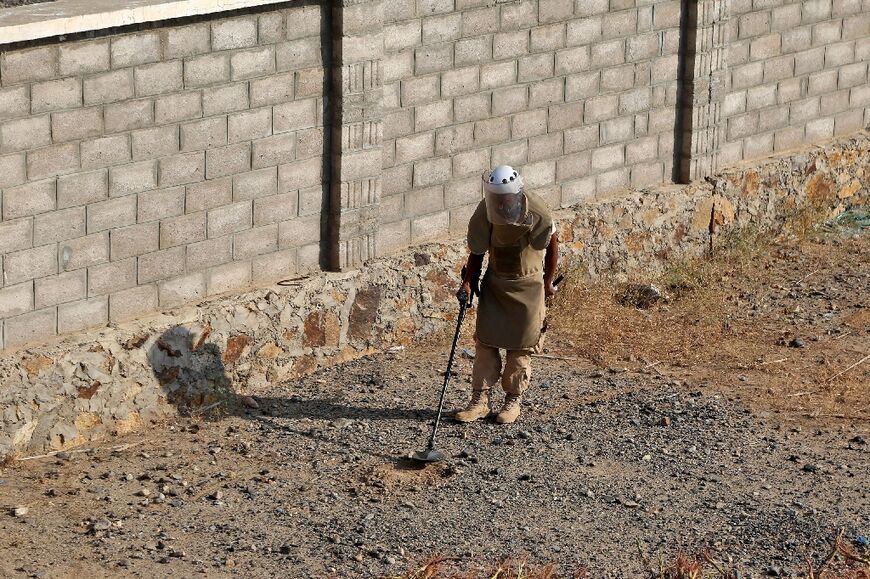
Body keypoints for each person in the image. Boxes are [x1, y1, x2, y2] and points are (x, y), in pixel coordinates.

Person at [454, 165, 559, 425]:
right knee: (486, 343)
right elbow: (477, 252)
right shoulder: (486, 211)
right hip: (496, 285)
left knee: (520, 347)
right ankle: (479, 401)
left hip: (528, 287)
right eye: (496, 199)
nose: (501, 204)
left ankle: (513, 400)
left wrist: (547, 283)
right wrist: (468, 283)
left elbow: (552, 244)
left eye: (505, 199)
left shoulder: (536, 210)